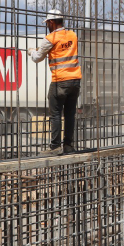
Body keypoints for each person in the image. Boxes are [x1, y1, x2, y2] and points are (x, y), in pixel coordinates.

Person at [27, 10, 81, 155]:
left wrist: (31, 51)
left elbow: (37, 58)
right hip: (75, 80)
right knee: (70, 114)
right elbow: (62, 49)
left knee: (55, 114)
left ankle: (55, 147)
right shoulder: (72, 35)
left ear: (51, 22)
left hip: (60, 81)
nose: (47, 26)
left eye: (48, 23)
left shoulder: (50, 38)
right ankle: (68, 146)